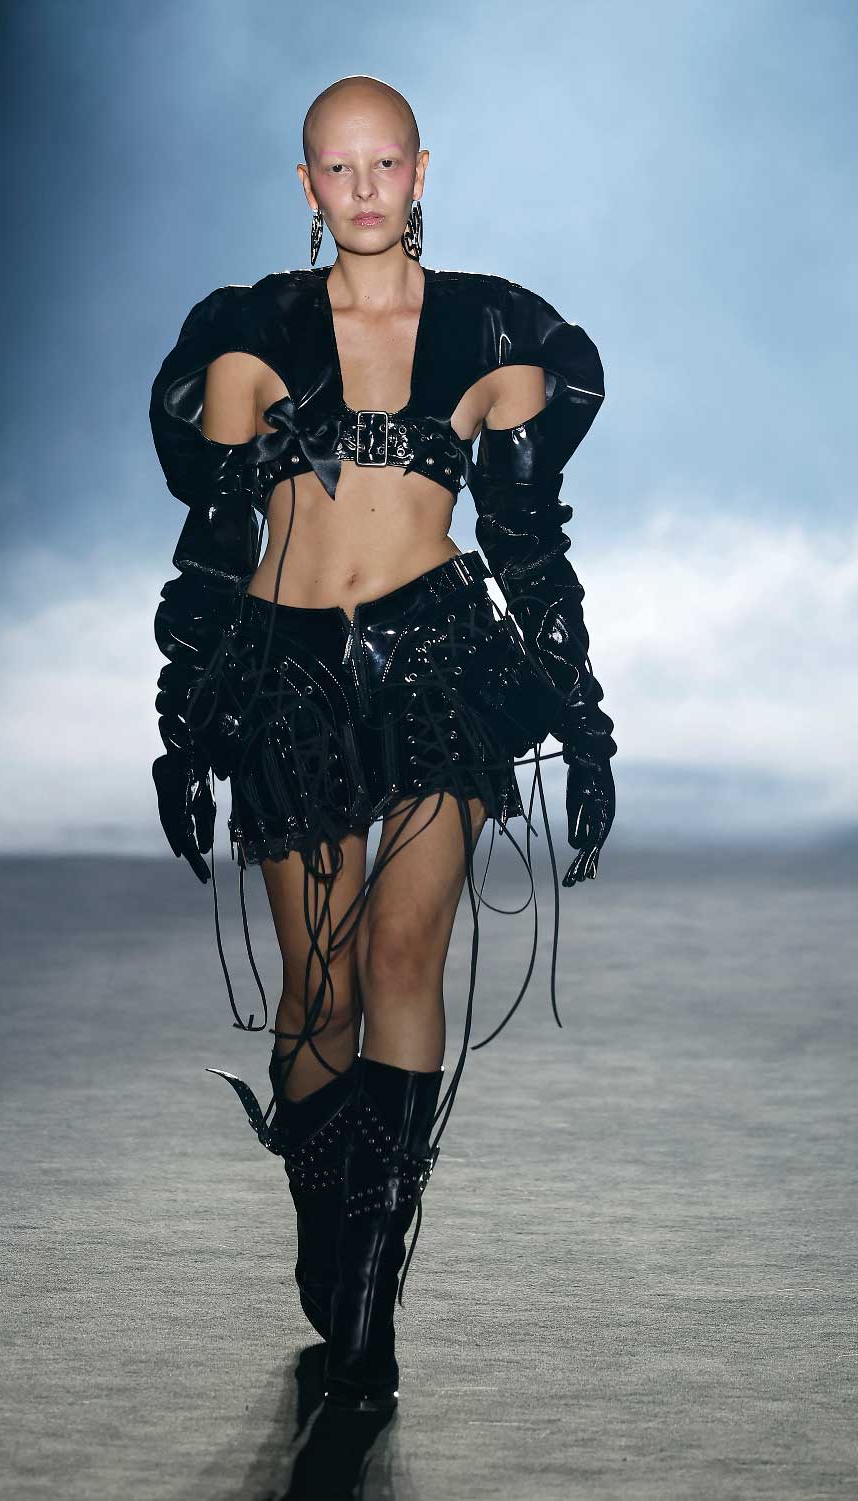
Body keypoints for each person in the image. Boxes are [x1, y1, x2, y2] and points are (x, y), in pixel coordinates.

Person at [148, 75, 617, 1412]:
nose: (364, 189)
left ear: (421, 170)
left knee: (405, 957)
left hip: (434, 662)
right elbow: (212, 548)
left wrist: (582, 716)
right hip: (287, 674)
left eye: (385, 164)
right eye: (338, 169)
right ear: (308, 188)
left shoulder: (494, 329)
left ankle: (366, 1311)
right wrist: (182, 725)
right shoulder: (248, 336)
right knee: (321, 988)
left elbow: (527, 545)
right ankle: (329, 1221)